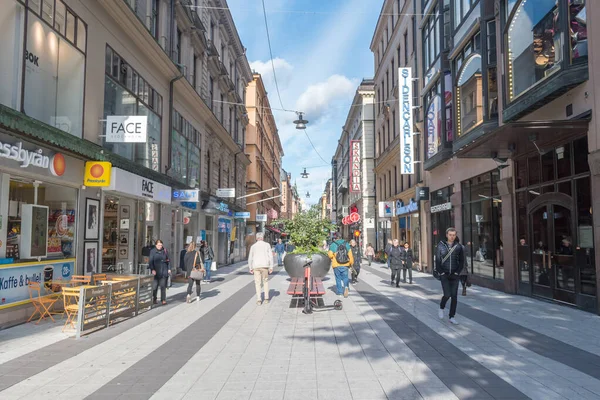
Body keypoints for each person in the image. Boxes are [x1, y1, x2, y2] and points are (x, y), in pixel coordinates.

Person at [436, 228, 465, 324]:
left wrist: (457, 272)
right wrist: (441, 272)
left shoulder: (459, 247)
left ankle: (451, 316)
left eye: (454, 235)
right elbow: (438, 260)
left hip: (455, 274)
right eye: (450, 235)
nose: (452, 237)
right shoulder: (440, 246)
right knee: (447, 294)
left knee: (454, 296)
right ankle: (441, 307)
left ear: (456, 235)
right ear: (446, 235)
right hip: (444, 274)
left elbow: (462, 261)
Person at [248, 232, 274, 305]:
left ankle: (259, 299)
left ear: (256, 238)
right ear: (262, 238)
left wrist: (250, 267)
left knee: (257, 283)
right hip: (265, 266)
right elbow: (270, 256)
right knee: (265, 281)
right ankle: (266, 298)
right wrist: (271, 267)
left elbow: (250, 258)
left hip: (256, 266)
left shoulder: (253, 246)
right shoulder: (267, 245)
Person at [149, 239, 170, 305]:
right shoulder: (152, 251)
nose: (160, 246)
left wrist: (169, 269)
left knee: (163, 286)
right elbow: (150, 261)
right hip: (156, 271)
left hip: (164, 270)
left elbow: (168, 260)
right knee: (155, 286)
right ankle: (154, 298)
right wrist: (152, 269)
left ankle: (163, 300)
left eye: (161, 245)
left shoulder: (165, 251)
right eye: (158, 245)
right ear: (156, 245)